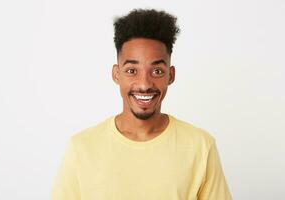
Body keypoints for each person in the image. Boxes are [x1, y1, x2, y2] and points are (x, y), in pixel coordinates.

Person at [51, 9, 232, 200]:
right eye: (131, 70)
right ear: (116, 74)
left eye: (156, 71)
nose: (144, 84)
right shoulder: (82, 148)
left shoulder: (201, 146)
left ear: (171, 75)